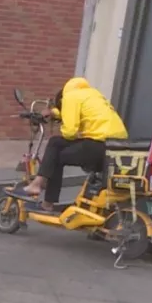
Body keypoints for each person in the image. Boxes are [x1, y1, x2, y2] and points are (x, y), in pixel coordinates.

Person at [23, 77, 128, 211]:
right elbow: (80, 111)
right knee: (57, 146)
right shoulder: (92, 94)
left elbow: (70, 132)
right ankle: (41, 185)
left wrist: (64, 126)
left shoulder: (69, 97)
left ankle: (44, 195)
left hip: (97, 145)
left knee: (55, 150)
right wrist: (54, 113)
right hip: (116, 147)